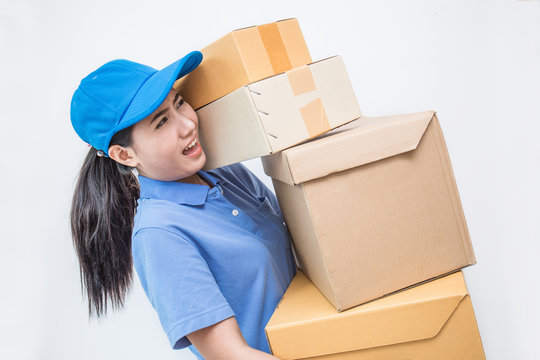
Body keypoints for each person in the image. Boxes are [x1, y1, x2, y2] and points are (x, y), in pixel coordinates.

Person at [69, 50, 297, 360]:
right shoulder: (160, 235)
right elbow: (231, 355)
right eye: (161, 122)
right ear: (125, 155)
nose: (188, 124)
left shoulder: (224, 173)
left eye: (179, 103)